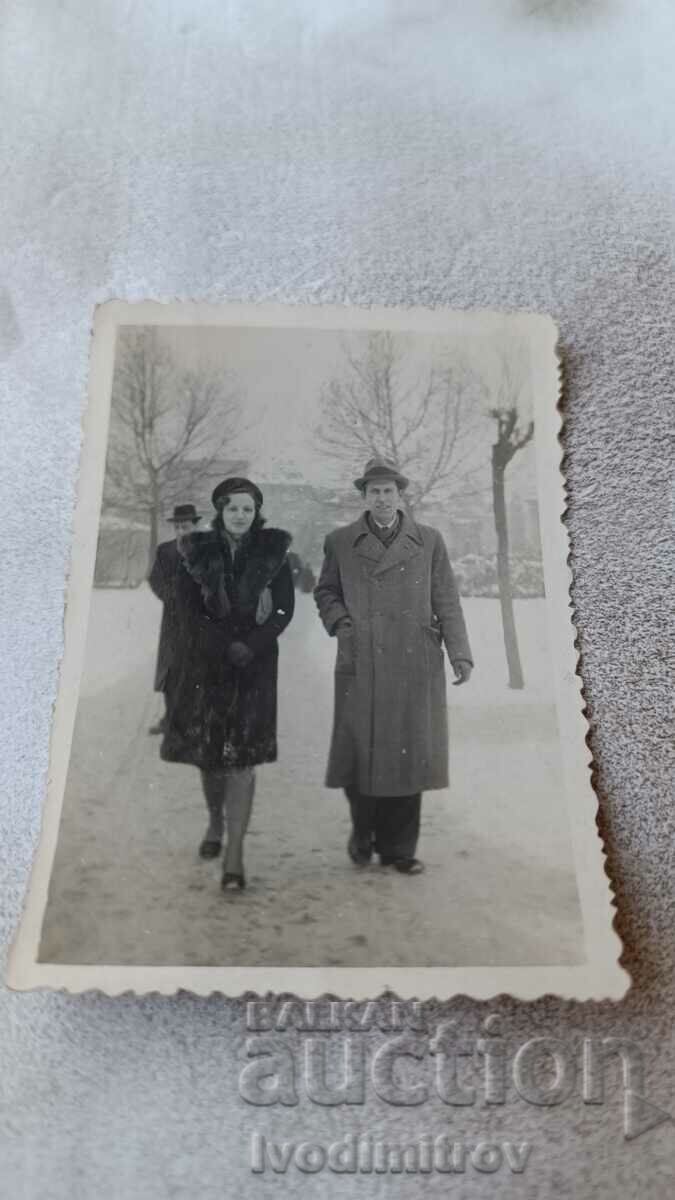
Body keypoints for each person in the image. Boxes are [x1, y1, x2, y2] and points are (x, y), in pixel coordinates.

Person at [314, 456, 473, 875]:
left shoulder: (429, 541)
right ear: (363, 497)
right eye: (374, 492)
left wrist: (459, 652)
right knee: (358, 751)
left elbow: (447, 600)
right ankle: (362, 831)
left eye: (388, 491)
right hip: (360, 659)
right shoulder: (341, 541)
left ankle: (400, 849)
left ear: (400, 495)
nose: (382, 499)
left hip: (413, 661)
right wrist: (342, 623)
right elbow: (325, 592)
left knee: (409, 754)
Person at [160, 478, 295, 891]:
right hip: (207, 667)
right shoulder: (196, 551)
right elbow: (186, 611)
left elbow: (285, 609)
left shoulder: (273, 552)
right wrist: (223, 645)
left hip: (255, 668)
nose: (240, 515)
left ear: (256, 513)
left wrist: (251, 645)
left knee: (243, 760)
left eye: (248, 509)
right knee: (211, 758)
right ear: (220, 510)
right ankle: (215, 822)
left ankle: (234, 855)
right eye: (233, 508)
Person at [147, 503, 201, 736]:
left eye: (186, 526)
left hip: (201, 621)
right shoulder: (165, 550)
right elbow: (155, 579)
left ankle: (195, 721)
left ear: (195, 526)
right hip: (172, 620)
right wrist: (169, 597)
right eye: (178, 526)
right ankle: (170, 718)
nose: (181, 531)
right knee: (171, 670)